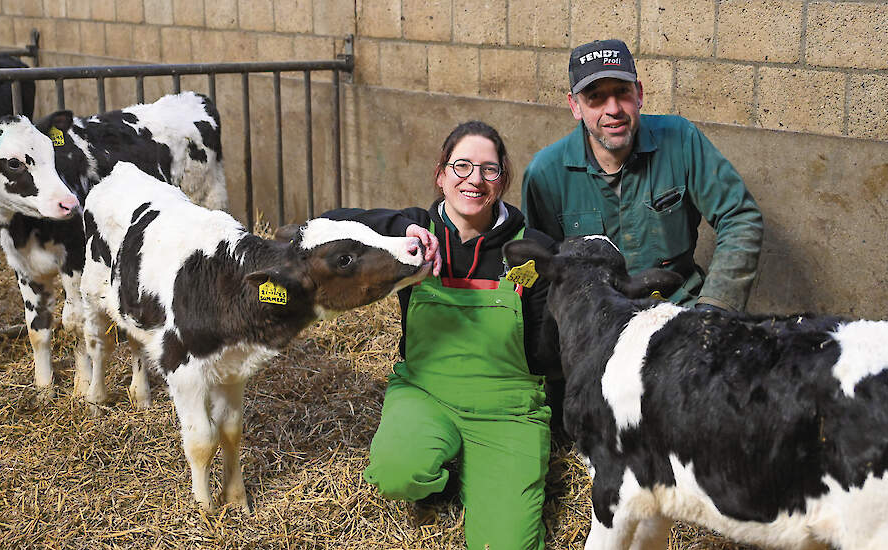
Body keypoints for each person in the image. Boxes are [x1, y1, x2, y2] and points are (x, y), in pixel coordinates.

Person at [323, 121, 559, 550]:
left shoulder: (533, 248)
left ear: (503, 179)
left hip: (507, 410)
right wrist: (398, 227)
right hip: (426, 392)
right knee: (397, 473)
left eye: (489, 169)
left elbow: (545, 354)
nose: (474, 179)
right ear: (441, 174)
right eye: (462, 166)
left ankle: (484, 474)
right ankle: (442, 471)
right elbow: (326, 225)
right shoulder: (412, 231)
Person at [522, 39, 764, 312]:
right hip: (596, 323)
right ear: (575, 106)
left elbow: (739, 217)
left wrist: (714, 309)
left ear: (639, 94)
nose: (613, 109)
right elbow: (542, 271)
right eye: (596, 97)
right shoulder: (545, 173)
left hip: (676, 312)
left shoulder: (681, 140)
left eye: (622, 92)